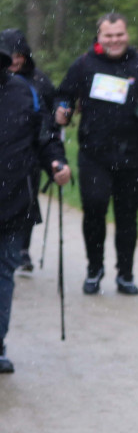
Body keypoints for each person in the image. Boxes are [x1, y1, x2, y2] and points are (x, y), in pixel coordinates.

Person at [54, 12, 138, 296]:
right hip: (94, 154)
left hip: (135, 154)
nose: (114, 40)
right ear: (99, 37)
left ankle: (125, 274)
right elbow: (63, 94)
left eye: (119, 35)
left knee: (127, 215)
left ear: (127, 35)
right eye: (109, 35)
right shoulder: (84, 64)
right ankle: (94, 269)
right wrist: (62, 109)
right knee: (95, 208)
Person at [0, 39, 72, 372]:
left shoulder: (24, 93)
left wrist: (57, 163)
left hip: (13, 200)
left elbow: (45, 137)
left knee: (3, 274)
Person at [0, 29, 56, 274]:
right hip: (9, 152)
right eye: (11, 55)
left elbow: (50, 111)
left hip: (29, 155)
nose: (15, 60)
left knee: (26, 201)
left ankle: (21, 248)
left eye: (19, 55)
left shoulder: (39, 81)